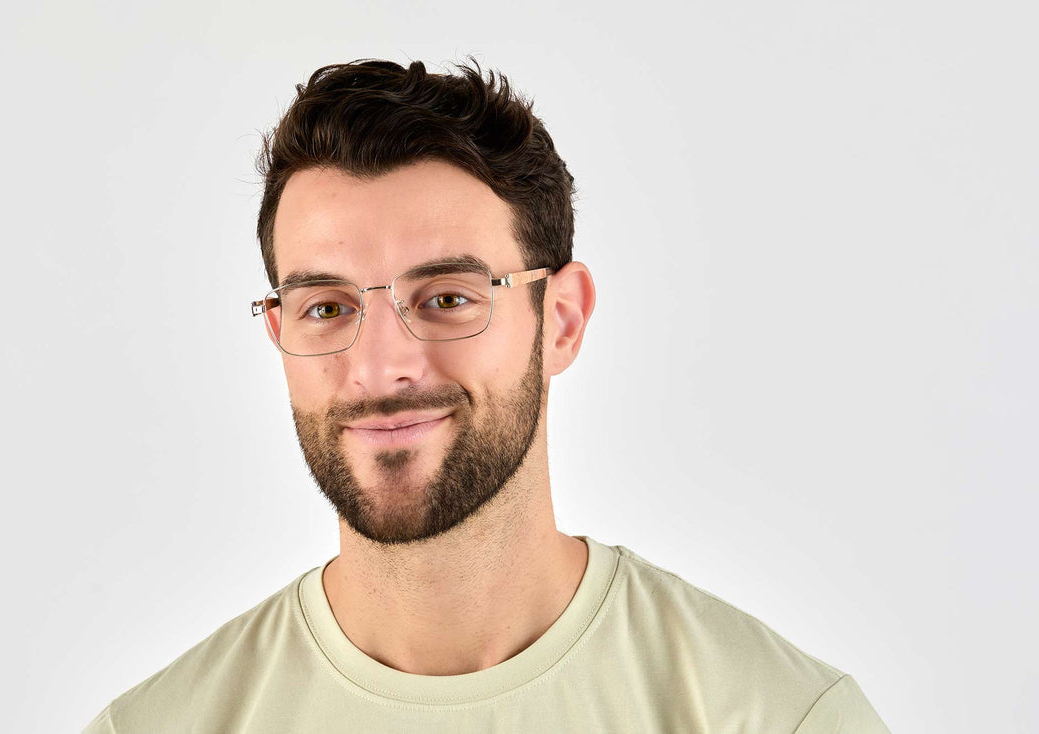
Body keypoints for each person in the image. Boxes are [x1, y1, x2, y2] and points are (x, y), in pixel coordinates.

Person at [84, 59, 890, 733]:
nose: (380, 368)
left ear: (561, 321)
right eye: (325, 308)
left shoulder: (776, 720)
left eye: (447, 298)